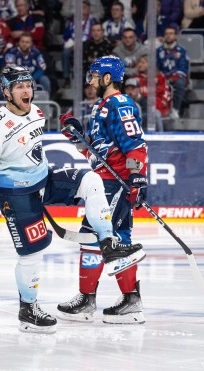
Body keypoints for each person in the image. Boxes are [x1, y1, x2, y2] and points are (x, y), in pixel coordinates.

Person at [0, 66, 144, 333]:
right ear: (7, 92)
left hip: (44, 180)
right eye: (19, 87)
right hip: (16, 193)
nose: (26, 91)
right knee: (32, 252)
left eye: (28, 85)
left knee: (92, 181)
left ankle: (108, 244)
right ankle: (28, 309)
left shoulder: (37, 113)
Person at [57, 55, 149, 324]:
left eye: (95, 76)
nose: (91, 81)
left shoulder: (119, 103)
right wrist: (79, 138)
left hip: (115, 182)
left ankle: (97, 300)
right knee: (110, 236)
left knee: (100, 235)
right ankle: (125, 299)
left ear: (108, 78)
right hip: (104, 181)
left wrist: (136, 178)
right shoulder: (102, 105)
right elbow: (98, 153)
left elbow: (135, 144)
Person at [156, 24, 188, 119]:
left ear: (176, 36)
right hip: (161, 77)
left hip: (176, 77)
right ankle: (158, 108)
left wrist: (172, 78)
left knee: (180, 83)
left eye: (171, 33)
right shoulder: (158, 51)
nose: (168, 36)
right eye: (166, 33)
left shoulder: (182, 51)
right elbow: (155, 67)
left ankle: (175, 109)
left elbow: (183, 68)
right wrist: (161, 76)